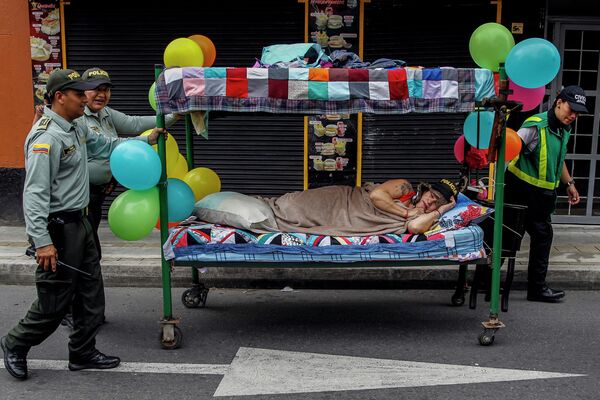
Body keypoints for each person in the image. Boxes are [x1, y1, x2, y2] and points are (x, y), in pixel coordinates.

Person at [1, 69, 163, 380]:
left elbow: (108, 145)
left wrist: (146, 139)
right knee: (56, 299)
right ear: (60, 97)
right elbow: (34, 195)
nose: (85, 99)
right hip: (58, 229)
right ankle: (16, 342)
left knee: (90, 292)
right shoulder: (46, 138)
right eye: (79, 93)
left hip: (81, 221)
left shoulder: (76, 127)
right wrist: (42, 241)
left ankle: (83, 352)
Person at [505, 85, 587, 303]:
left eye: (578, 112)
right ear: (558, 102)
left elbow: (557, 160)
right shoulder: (536, 126)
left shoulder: (562, 129)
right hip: (520, 192)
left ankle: (494, 283)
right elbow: (510, 149)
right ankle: (534, 289)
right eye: (571, 109)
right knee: (512, 239)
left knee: (525, 238)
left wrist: (569, 183)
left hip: (540, 197)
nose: (573, 115)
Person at [261, 178, 458, 236]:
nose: (430, 202)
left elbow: (415, 228)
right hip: (342, 200)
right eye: (431, 196)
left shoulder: (427, 215)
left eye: (436, 203)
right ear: (425, 190)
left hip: (346, 219)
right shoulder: (405, 187)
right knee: (290, 207)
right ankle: (269, 210)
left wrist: (442, 211)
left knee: (298, 219)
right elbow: (375, 195)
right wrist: (406, 212)